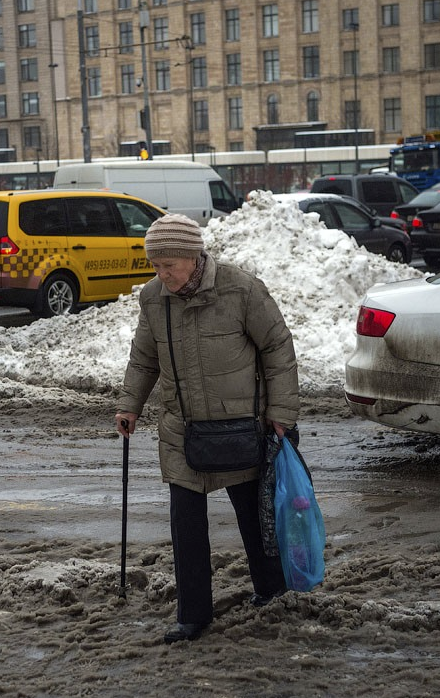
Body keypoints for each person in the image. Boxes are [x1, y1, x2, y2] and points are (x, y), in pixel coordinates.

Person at [114, 213, 300, 644]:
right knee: (186, 525)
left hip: (239, 427)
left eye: (169, 266)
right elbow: (144, 359)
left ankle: (271, 591)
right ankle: (193, 615)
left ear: (192, 257)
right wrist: (130, 406)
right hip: (182, 430)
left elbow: (277, 346)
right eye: (156, 266)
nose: (162, 275)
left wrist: (281, 412)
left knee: (255, 517)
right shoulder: (153, 299)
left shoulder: (240, 288)